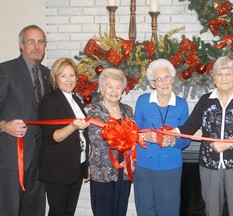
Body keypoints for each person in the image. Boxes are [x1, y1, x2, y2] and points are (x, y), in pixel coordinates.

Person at [176, 56, 233, 216]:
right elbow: (188, 127)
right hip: (209, 164)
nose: (224, 78)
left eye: (228, 74)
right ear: (213, 78)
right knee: (212, 210)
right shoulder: (206, 100)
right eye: (219, 74)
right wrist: (168, 132)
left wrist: (228, 144)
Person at [0, 25, 50, 216]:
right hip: (13, 158)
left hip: (39, 160)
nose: (36, 46)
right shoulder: (6, 70)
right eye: (31, 41)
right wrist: (4, 126)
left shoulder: (47, 74)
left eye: (41, 42)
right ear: (21, 45)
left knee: (35, 210)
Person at [134, 59, 190, 216]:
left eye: (167, 77)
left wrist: (173, 140)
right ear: (152, 83)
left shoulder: (181, 104)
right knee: (145, 210)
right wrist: (144, 136)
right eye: (159, 79)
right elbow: (133, 133)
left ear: (172, 79)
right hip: (144, 166)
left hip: (170, 167)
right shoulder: (143, 101)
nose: (164, 82)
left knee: (169, 210)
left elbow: (186, 139)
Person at [38, 58, 90, 216]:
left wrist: (86, 163)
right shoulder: (49, 101)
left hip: (76, 166)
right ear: (55, 78)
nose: (69, 80)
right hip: (58, 169)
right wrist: (72, 126)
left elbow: (83, 136)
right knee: (58, 212)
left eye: (72, 75)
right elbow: (53, 136)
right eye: (63, 76)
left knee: (69, 212)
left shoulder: (76, 100)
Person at [87, 68, 133, 216]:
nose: (114, 91)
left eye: (118, 87)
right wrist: (124, 138)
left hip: (124, 174)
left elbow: (133, 139)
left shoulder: (128, 111)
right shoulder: (94, 112)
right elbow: (98, 140)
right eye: (110, 86)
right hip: (102, 174)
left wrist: (131, 159)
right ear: (102, 89)